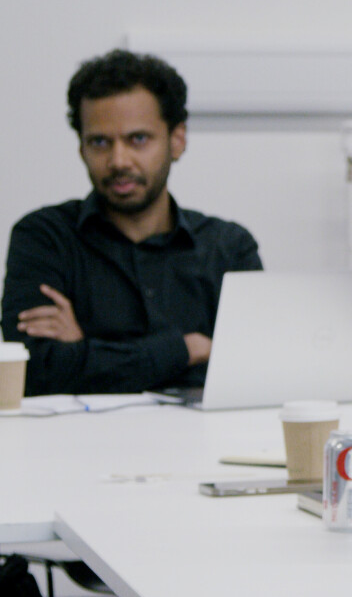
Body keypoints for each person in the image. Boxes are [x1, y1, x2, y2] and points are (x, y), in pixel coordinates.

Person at [3, 48, 260, 395]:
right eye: (99, 142)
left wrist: (83, 351)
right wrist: (189, 349)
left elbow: (256, 372)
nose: (118, 160)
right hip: (76, 446)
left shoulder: (229, 248)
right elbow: (34, 372)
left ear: (177, 140)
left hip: (204, 446)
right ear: (81, 148)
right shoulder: (44, 238)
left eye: (138, 139)